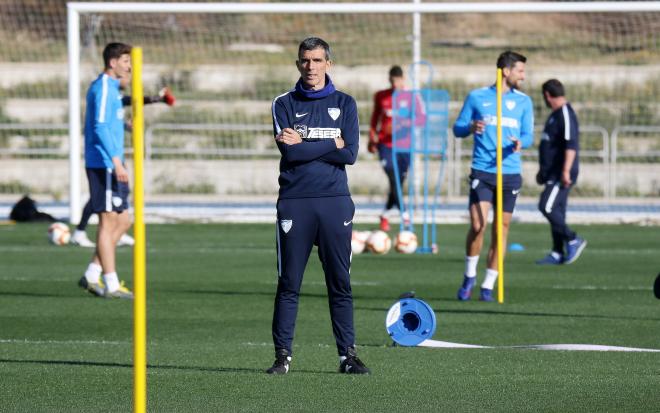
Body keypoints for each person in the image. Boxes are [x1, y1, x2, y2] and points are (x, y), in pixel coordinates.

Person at [268, 37, 369, 374]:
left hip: (335, 203)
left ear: (329, 63)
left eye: (316, 60)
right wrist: (331, 141)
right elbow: (291, 154)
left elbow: (350, 154)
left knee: (340, 282)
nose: (310, 67)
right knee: (289, 282)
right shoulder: (283, 103)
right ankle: (282, 358)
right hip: (295, 203)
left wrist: (309, 141)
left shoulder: (346, 103)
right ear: (298, 64)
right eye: (304, 61)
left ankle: (348, 357)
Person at [453, 51, 534, 302]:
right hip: (483, 170)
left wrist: (522, 142)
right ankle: (469, 276)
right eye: (520, 70)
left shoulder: (524, 102)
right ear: (506, 71)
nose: (523, 75)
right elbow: (457, 128)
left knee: (501, 229)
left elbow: (529, 135)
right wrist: (470, 127)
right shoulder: (477, 97)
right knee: (479, 226)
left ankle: (488, 285)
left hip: (509, 173)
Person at [71, 84, 176, 248]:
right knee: (102, 200)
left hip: (114, 156)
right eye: (125, 63)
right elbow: (102, 125)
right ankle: (83, 234)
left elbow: (127, 103)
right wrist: (158, 99)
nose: (128, 71)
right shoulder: (104, 93)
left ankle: (111, 234)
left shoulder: (113, 97)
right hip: (105, 157)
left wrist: (156, 100)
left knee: (118, 195)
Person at [77, 42, 134, 299]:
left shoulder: (113, 89)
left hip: (112, 162)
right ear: (112, 62)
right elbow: (99, 127)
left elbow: (111, 119)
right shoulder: (102, 87)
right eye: (125, 61)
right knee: (108, 221)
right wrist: (116, 162)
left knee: (124, 220)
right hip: (103, 163)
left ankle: (92, 272)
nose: (129, 66)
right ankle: (111, 283)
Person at [535, 79, 586, 265]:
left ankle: (573, 238)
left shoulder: (565, 113)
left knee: (546, 206)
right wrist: (542, 170)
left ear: (547, 95)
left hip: (561, 173)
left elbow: (571, 145)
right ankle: (557, 252)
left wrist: (565, 171)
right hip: (551, 172)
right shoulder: (554, 114)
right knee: (557, 211)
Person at [368, 66, 411, 231]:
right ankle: (405, 215)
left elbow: (421, 119)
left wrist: (402, 125)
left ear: (403, 79)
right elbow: (374, 118)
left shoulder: (411, 97)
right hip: (385, 145)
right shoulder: (381, 96)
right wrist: (372, 137)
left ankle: (385, 215)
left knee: (398, 182)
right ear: (389, 79)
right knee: (394, 178)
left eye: (397, 80)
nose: (395, 84)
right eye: (392, 81)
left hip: (405, 146)